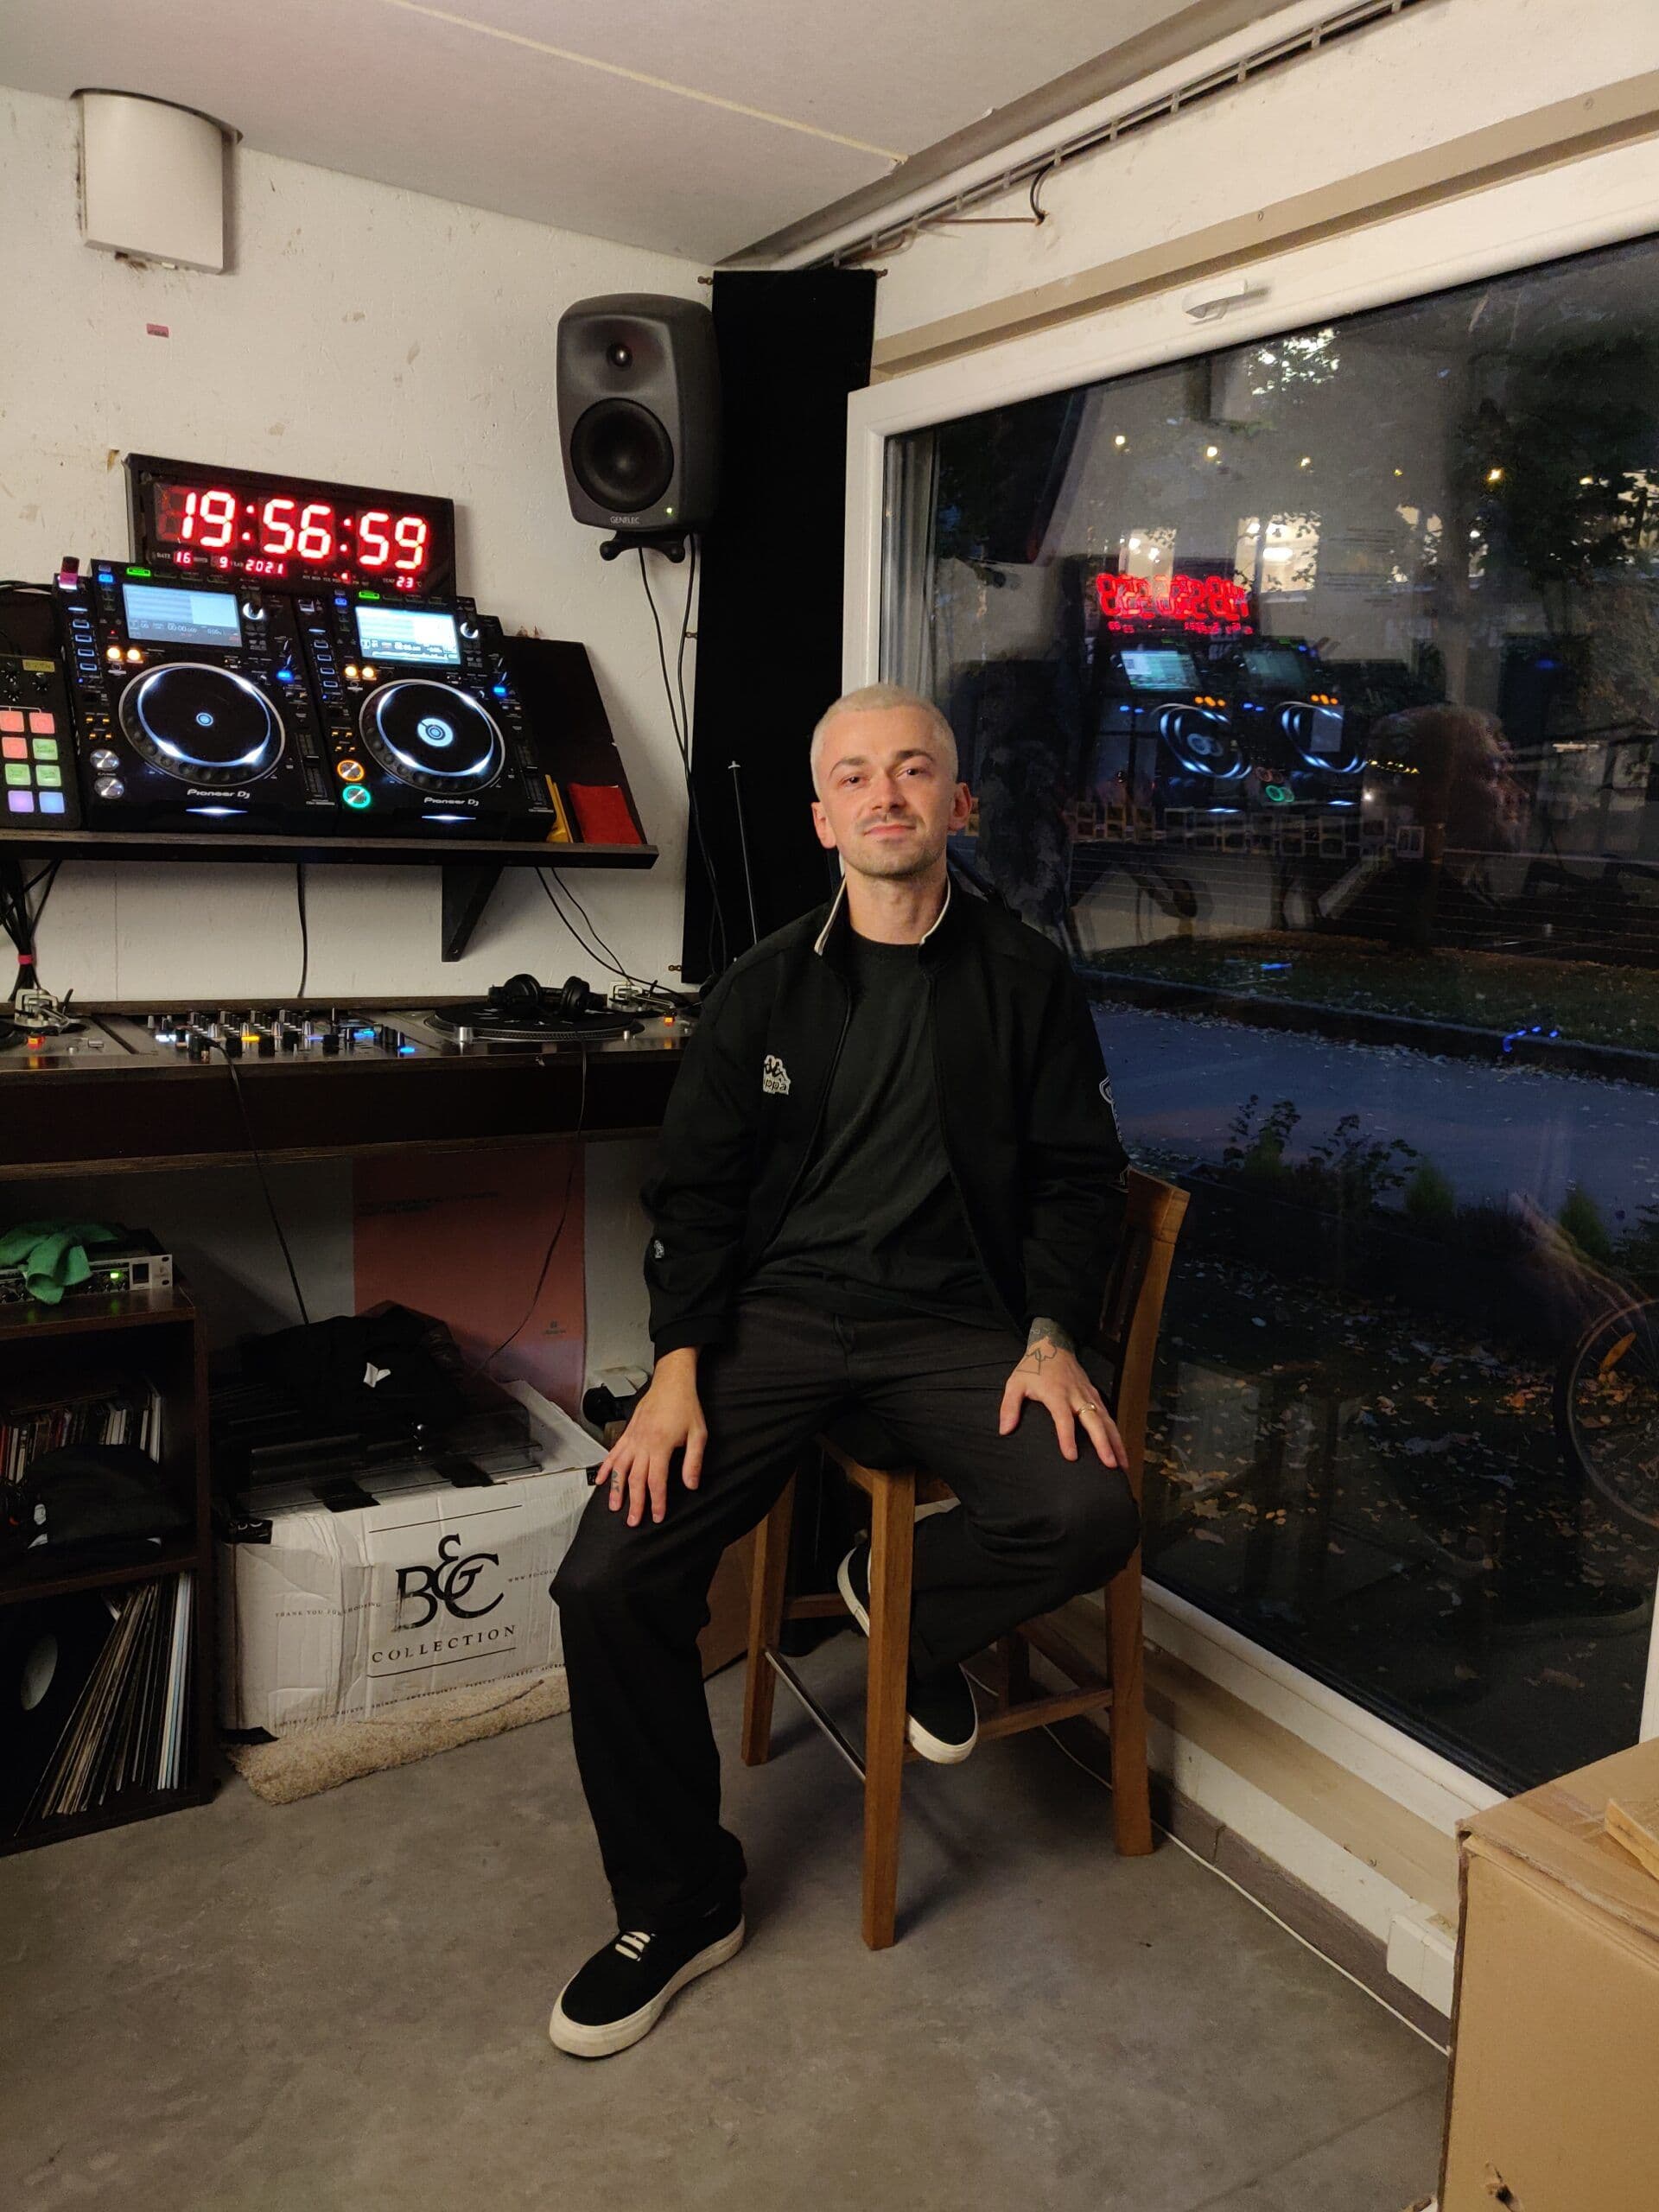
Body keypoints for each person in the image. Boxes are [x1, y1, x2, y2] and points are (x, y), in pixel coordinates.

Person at [548, 683, 1136, 2059]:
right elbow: (695, 1200)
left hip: (957, 1324)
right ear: (823, 820)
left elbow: (1078, 1180)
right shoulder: (760, 988)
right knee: (609, 1579)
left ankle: (907, 1608)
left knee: (1088, 1508)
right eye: (856, 776)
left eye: (914, 769)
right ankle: (682, 1901)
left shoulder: (1026, 978)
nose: (886, 794)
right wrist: (676, 1370)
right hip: (780, 1323)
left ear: (958, 803)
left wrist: (1053, 1334)